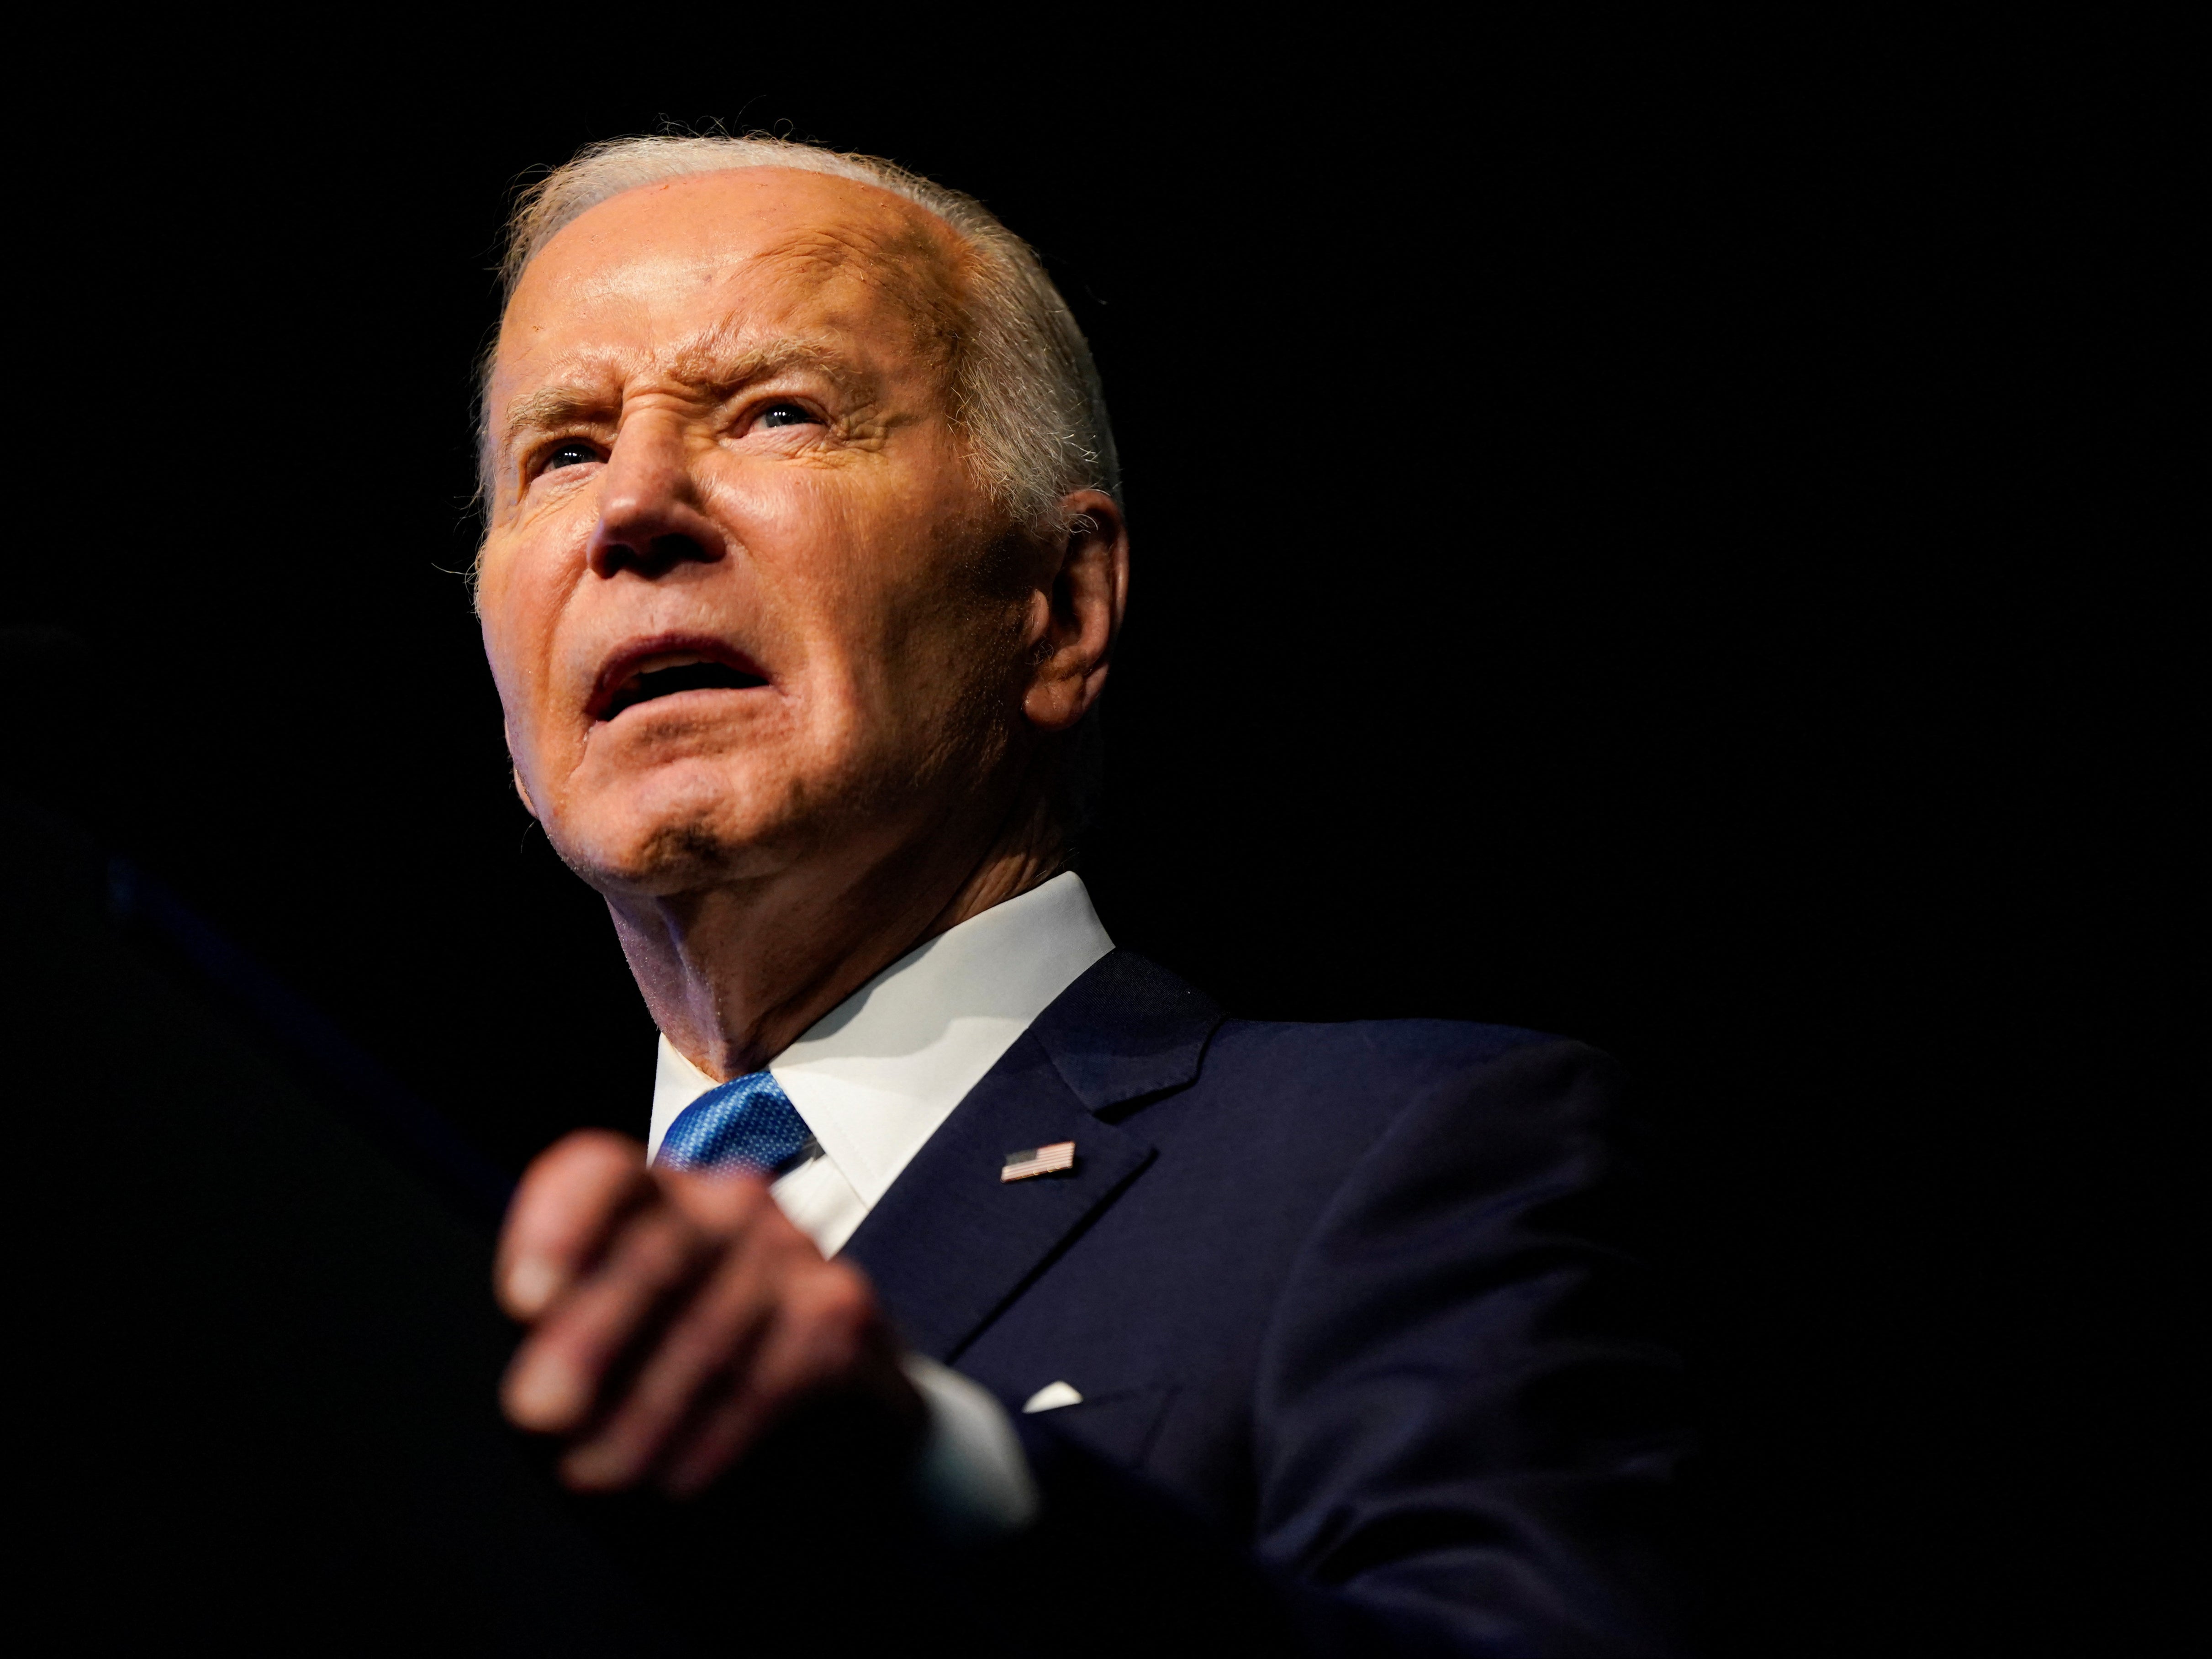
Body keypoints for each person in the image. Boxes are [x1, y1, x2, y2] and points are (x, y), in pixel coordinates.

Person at [475, 134, 1687, 1656]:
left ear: (1056, 608)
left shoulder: (1396, 1152)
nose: (631, 509)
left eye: (777, 413)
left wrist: (945, 1477)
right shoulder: (461, 1319)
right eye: (563, 450)